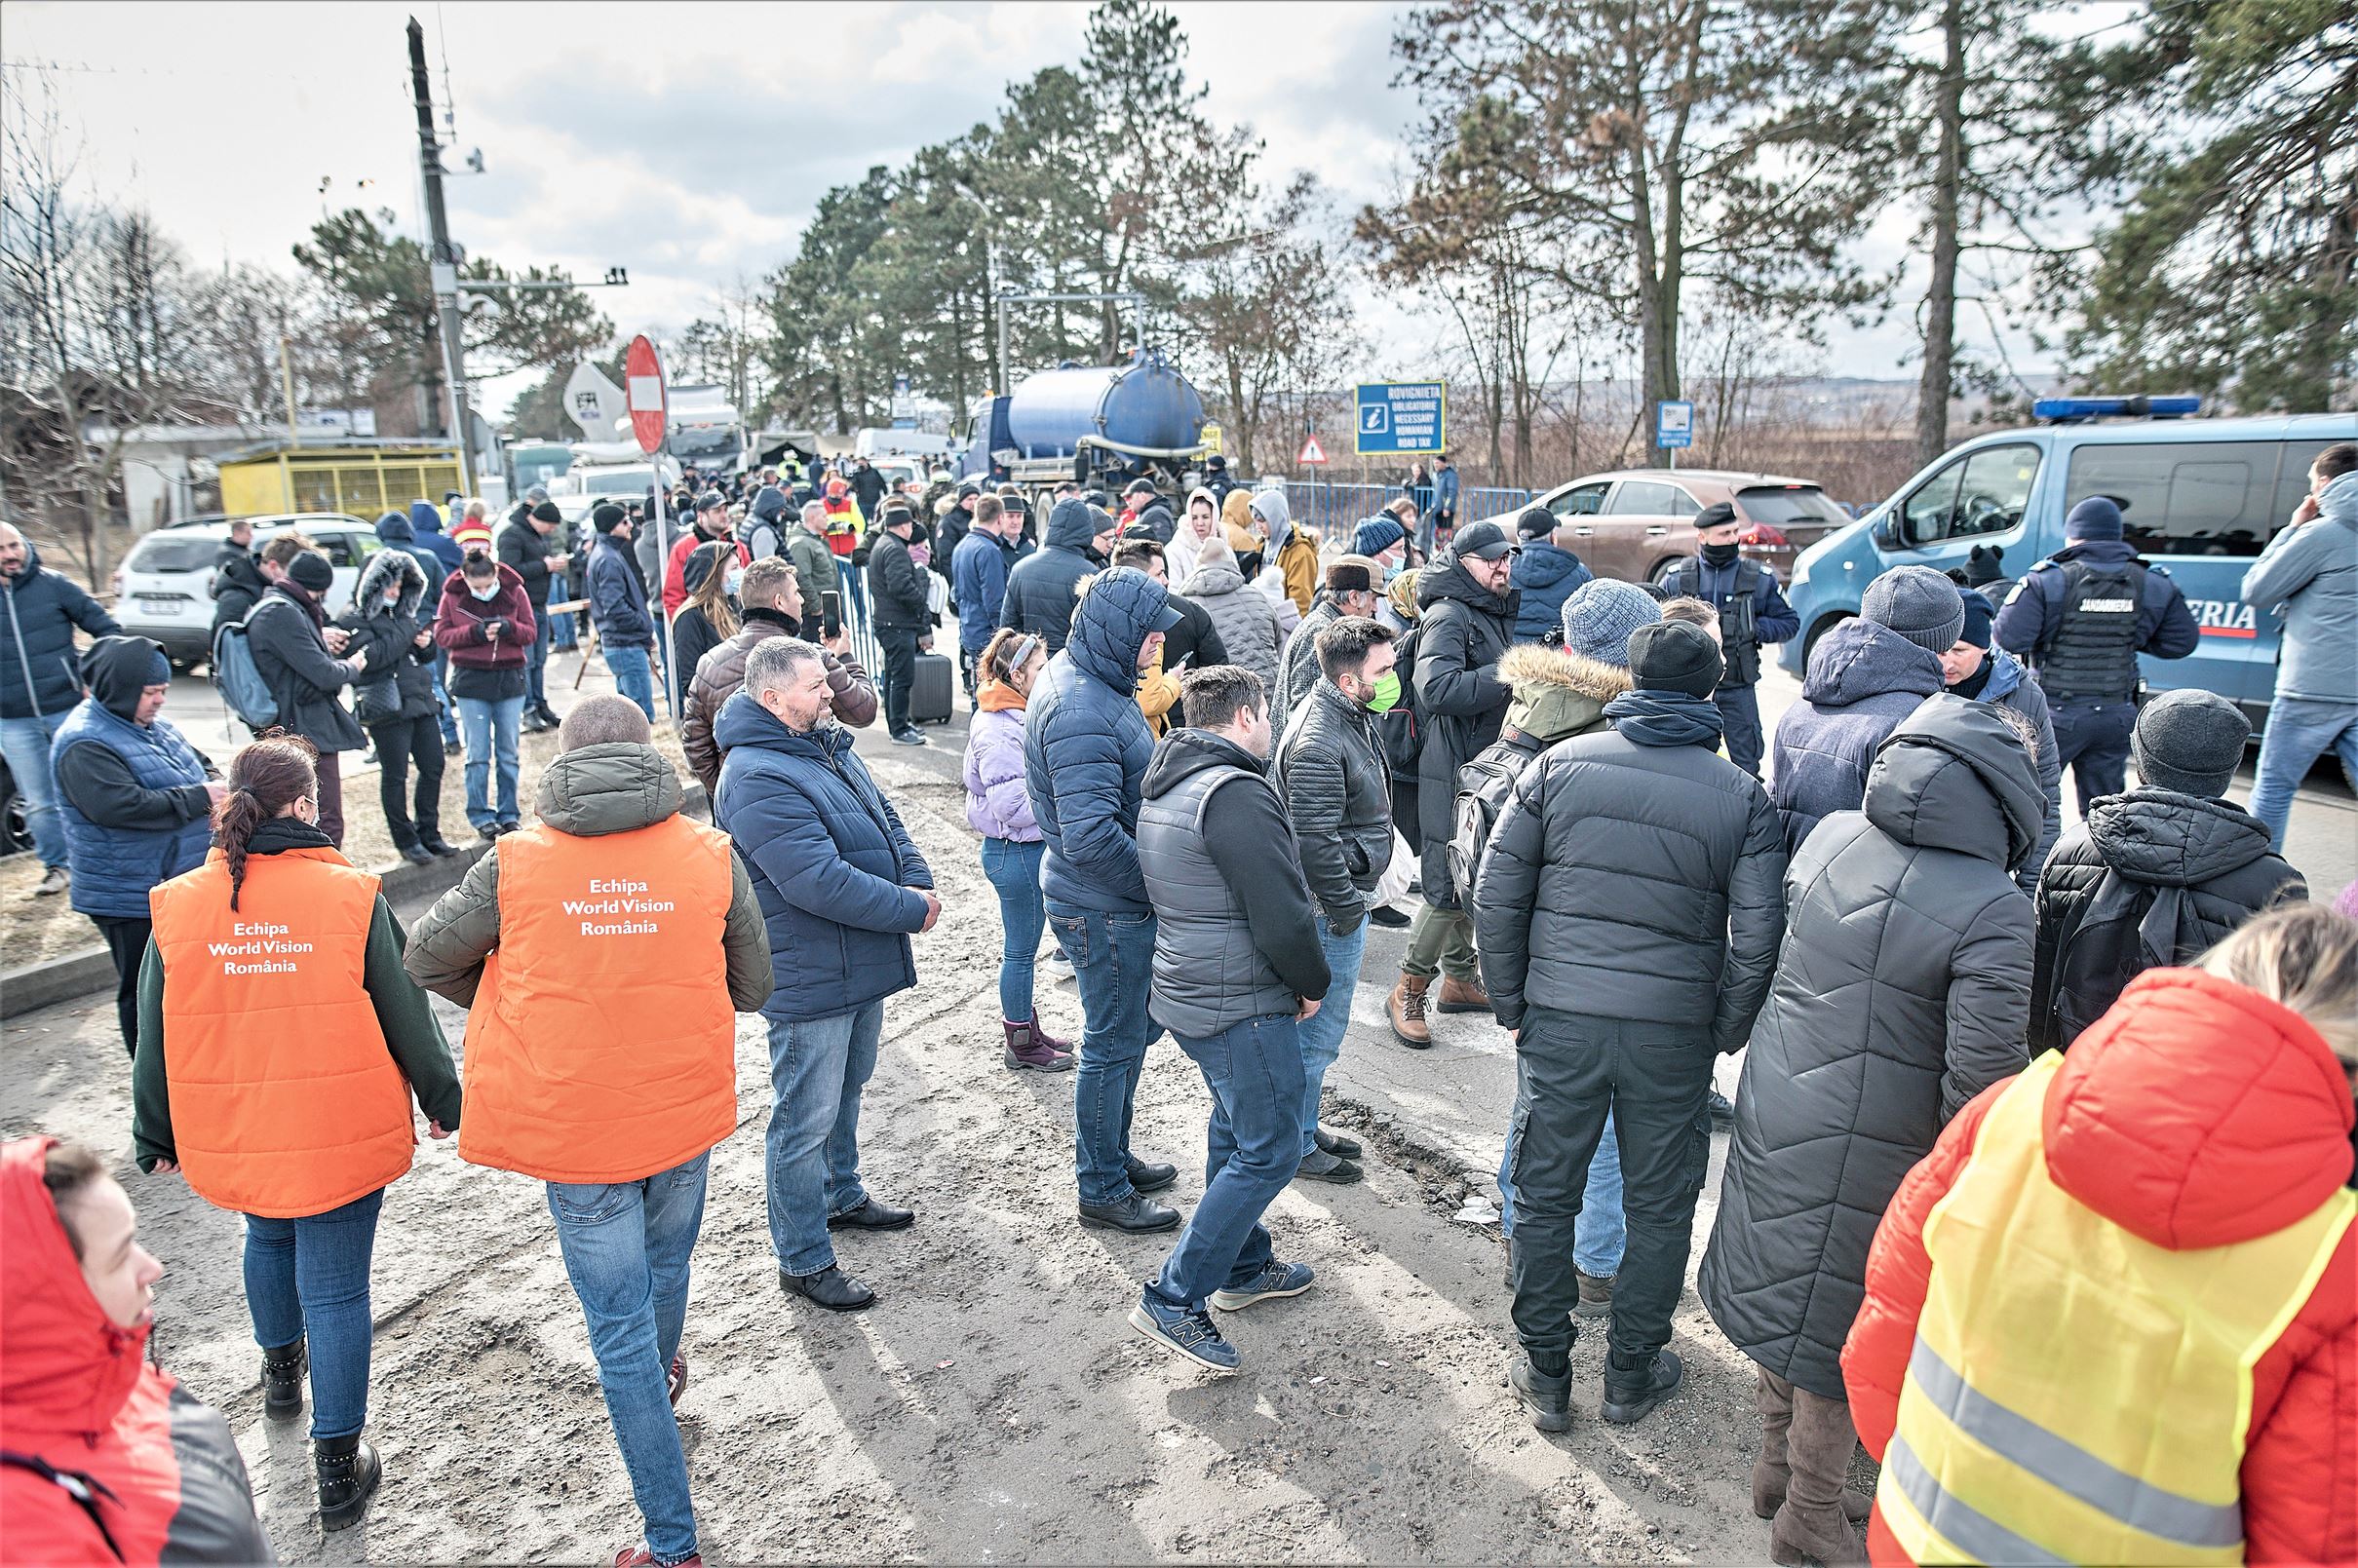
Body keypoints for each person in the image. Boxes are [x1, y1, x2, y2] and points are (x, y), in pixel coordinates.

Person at [1843, 903, 2358, 1568]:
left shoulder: (2007, 1114)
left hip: (1920, 1540)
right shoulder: (2330, 1258)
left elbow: (1880, 1344)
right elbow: (2312, 1538)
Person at [402, 696, 767, 1568]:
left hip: (578, 1125)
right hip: (679, 1110)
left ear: (563, 760)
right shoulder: (708, 851)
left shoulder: (516, 861)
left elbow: (426, 955)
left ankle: (671, 1543)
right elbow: (752, 986)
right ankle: (663, 1386)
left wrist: (517, 998)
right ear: (646, 754)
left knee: (618, 1330)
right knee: (665, 1269)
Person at [1700, 696, 2041, 1565]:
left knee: (1788, 1290)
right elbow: (1980, 1080)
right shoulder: (1995, 905)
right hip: (1882, 1145)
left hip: (1783, 1097)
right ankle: (1810, 1513)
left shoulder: (1831, 835)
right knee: (1842, 1329)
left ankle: (1776, 1467)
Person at [132, 735, 461, 1534]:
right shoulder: (349, 893)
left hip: (242, 1119)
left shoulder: (177, 903)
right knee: (338, 1289)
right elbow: (406, 1009)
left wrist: (155, 1129)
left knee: (267, 1235)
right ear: (307, 805)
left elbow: (154, 1031)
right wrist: (442, 1095)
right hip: (336, 1122)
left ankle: (282, 1374)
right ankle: (338, 1466)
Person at [1472, 620, 1786, 1433]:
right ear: (1709, 689)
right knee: (1660, 1203)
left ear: (1629, 681)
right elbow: (1758, 935)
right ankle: (1630, 1371)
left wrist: (1514, 1005)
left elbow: (1495, 896)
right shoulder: (1740, 794)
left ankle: (1545, 1370)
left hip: (1562, 1019)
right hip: (1671, 1031)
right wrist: (1720, 1027)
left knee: (1544, 1196)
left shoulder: (1557, 765)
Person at [714, 638, 935, 1313]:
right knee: (802, 1118)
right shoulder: (753, 775)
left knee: (847, 1089)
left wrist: (917, 879)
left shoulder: (824, 745)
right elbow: (815, 880)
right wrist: (908, 909)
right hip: (810, 974)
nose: (831, 694)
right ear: (773, 697)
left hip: (856, 957)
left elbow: (886, 818)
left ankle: (841, 1193)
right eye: (815, 686)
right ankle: (803, 1258)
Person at [1127, 665, 1330, 1372]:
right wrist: (1311, 982)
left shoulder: (1170, 781)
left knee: (1235, 1125)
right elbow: (1281, 910)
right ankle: (1174, 1295)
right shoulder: (1235, 792)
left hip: (1192, 989)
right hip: (1238, 999)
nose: (1270, 726)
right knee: (1270, 1147)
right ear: (1245, 716)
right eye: (1266, 714)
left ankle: (1242, 1266)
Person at [1470, 579, 1663, 1315]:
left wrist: (1509, 991)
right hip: (1597, 958)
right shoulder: (1606, 725)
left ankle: (1519, 1233)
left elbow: (1501, 879)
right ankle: (1595, 1261)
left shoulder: (1533, 703)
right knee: (1606, 1120)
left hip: (1540, 959)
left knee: (1538, 1108)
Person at [0, 1135, 273, 1563]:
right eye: (119, 1255)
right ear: (42, 1299)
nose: (152, 1267)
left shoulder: (108, 1380)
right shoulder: (27, 1534)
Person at [1024, 567, 1188, 1234]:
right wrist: (1161, 887)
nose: (1159, 644)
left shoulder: (1095, 680)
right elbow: (1090, 836)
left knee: (1127, 1034)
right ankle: (1101, 1186)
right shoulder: (1080, 710)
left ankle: (1112, 1156)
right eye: (1151, 633)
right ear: (1120, 631)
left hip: (1106, 898)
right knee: (1113, 1041)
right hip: (1104, 903)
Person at [2030, 688, 2306, 1053]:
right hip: (2207, 1072)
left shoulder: (2072, 848)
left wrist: (2045, 1060)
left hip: (2079, 1060)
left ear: (2142, 757)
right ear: (2229, 769)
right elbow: (2281, 1014)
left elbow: (2042, 975)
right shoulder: (2277, 884)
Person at [1273, 616, 1397, 1184]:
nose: (1394, 678)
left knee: (1320, 1038)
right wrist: (1348, 912)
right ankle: (1295, 1145)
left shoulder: (1349, 714)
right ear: (1349, 681)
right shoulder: (1319, 739)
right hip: (1329, 913)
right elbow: (1314, 844)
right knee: (1314, 1038)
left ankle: (1304, 1124)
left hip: (1340, 903)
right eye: (1384, 670)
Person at [50, 636, 218, 1054]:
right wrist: (201, 796)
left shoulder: (150, 724)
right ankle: (151, 1079)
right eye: (150, 692)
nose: (160, 700)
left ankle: (189, 1067)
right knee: (144, 994)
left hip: (168, 882)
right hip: (127, 894)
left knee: (186, 986)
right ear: (120, 690)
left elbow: (199, 765)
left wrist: (217, 784)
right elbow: (120, 806)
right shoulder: (84, 743)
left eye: (163, 690)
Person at [1389, 521, 1519, 1049]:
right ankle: (1408, 988)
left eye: (1507, 558)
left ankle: (1460, 980)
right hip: (1450, 766)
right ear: (1464, 562)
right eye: (1492, 559)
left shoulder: (1486, 609)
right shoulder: (1448, 613)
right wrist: (1510, 673)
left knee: (1473, 872)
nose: (1503, 567)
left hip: (1478, 765)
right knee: (1446, 885)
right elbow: (1437, 689)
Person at [1994, 495, 2201, 813]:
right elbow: (2181, 642)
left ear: (2074, 535)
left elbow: (2008, 637)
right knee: (2104, 813)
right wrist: (2130, 634)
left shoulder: (2048, 579)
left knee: (2030, 803)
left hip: (2054, 713)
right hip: (2115, 715)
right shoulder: (2152, 581)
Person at [1771, 564, 1954, 854]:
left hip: (1791, 871)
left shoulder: (1800, 708)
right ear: (1941, 643)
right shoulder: (1914, 723)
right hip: (1859, 879)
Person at [963, 628, 1076, 1074]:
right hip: (1016, 854)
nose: (1047, 675)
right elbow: (1011, 805)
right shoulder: (998, 726)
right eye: (1040, 668)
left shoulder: (1011, 714)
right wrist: (1063, 798)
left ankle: (1028, 1028)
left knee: (1023, 949)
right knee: (1020, 952)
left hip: (1020, 851)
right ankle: (1022, 1043)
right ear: (1017, 675)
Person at [2243, 443, 2357, 851]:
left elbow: (2257, 590)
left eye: (2311, 484)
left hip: (2311, 689)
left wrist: (2293, 528)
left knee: (2274, 788)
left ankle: (2260, 878)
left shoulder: (2320, 534)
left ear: (2324, 484)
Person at [681, 559, 874, 798]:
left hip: (740, 798)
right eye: (796, 592)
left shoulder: (709, 663)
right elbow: (864, 711)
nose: (802, 600)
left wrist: (729, 794)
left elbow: (696, 748)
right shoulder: (811, 658)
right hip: (808, 793)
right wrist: (845, 656)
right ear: (779, 601)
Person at [1, 519, 120, 899]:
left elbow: (109, 631)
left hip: (67, 709)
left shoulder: (53, 584)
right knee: (38, 802)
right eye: (1, 550)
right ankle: (58, 866)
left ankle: (106, 860)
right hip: (13, 720)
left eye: (14, 545)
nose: (10, 554)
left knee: (91, 789)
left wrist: (92, 677)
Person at [1935, 582, 2062, 891]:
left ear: (1984, 647)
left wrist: (2031, 888)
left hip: (1992, 864)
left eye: (1959, 651)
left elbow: (2044, 795)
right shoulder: (1919, 686)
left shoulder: (2024, 696)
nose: (1947, 663)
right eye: (1940, 651)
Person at [244, 540, 369, 845]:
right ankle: (325, 872)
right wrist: (352, 666)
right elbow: (323, 675)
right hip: (303, 728)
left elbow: (297, 662)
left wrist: (321, 643)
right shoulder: (282, 613)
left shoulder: (275, 606)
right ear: (316, 588)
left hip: (292, 726)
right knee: (323, 817)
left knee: (300, 819)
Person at [1658, 503, 1797, 778]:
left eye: (1735, 532)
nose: (1733, 539)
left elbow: (1789, 622)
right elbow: (1655, 623)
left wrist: (1753, 628)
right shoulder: (1678, 578)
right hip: (1689, 689)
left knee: (1746, 766)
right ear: (1702, 537)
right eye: (1724, 534)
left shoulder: (1758, 578)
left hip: (1737, 687)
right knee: (1682, 763)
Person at [335, 546, 453, 865]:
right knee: (395, 774)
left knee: (433, 766)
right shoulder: (352, 617)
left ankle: (429, 831)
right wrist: (408, 631)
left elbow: (420, 655)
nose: (395, 592)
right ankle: (406, 839)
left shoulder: (403, 615)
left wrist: (426, 644)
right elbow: (372, 658)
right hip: (386, 706)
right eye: (389, 586)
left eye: (400, 586)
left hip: (419, 699)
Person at [435, 549, 535, 840]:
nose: (482, 591)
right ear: (464, 578)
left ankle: (509, 813)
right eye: (476, 587)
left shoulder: (515, 591)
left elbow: (531, 632)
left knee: (508, 752)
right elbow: (442, 635)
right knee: (477, 753)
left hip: (509, 678)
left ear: (496, 575)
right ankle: (480, 814)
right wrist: (474, 633)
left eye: (488, 585)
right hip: (471, 680)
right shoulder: (452, 596)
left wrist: (509, 628)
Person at [1271, 556, 1381, 723]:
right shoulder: (1321, 632)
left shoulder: (1326, 626)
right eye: (1373, 599)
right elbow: (1304, 710)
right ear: (1354, 598)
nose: (1375, 608)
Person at [1174, 533, 1284, 696]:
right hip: (1269, 694)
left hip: (1224, 700)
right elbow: (1279, 642)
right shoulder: (1256, 595)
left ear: (1197, 568)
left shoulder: (1188, 606)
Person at [1001, 498, 1111, 653]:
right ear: (1087, 530)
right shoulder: (1090, 573)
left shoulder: (1020, 569)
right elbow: (1097, 634)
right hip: (1069, 662)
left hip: (1031, 661)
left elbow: (1009, 627)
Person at [867, 500, 933, 746]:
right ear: (904, 526)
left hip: (890, 621)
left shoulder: (884, 543)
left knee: (895, 676)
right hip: (896, 623)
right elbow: (900, 586)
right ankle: (899, 729)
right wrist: (920, 599)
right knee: (901, 678)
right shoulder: (894, 548)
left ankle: (899, 723)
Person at [587, 503, 660, 722]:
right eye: (625, 521)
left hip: (622, 643)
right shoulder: (608, 559)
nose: (631, 525)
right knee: (639, 718)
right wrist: (642, 625)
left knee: (629, 718)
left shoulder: (607, 553)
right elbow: (614, 608)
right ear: (612, 527)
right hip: (625, 645)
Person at [498, 498, 564, 733]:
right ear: (539, 520)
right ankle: (528, 708)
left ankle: (539, 702)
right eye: (551, 526)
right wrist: (544, 566)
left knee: (539, 660)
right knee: (527, 661)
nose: (552, 531)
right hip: (521, 608)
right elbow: (508, 571)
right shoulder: (512, 535)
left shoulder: (535, 536)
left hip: (539, 604)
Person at [954, 494, 1021, 693]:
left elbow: (956, 593)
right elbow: (994, 601)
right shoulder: (989, 550)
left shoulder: (963, 546)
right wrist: (1004, 635)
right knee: (988, 691)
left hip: (969, 627)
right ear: (1000, 518)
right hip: (986, 632)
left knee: (979, 688)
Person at [1508, 505, 1594, 645]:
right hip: (1560, 654)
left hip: (1511, 654)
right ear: (1553, 537)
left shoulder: (1501, 570)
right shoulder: (1579, 573)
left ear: (1519, 538)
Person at [670, 539, 741, 707]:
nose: (740, 573)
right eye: (734, 568)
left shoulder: (733, 605)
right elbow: (690, 680)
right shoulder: (689, 617)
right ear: (714, 575)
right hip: (716, 708)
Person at [663, 492, 748, 621]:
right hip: (702, 622)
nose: (724, 515)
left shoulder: (737, 546)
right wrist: (686, 625)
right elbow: (673, 596)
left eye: (725, 510)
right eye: (717, 511)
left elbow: (749, 584)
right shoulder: (683, 549)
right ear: (701, 516)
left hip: (735, 620)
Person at [1251, 488, 1319, 618]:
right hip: (1263, 619)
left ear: (1274, 517)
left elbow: (1301, 602)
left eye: (1261, 520)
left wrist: (1293, 627)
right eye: (1254, 521)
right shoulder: (1262, 544)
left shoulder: (1301, 552)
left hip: (1286, 622)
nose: (1257, 526)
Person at [208, 516, 266, 642]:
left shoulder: (245, 551)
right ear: (237, 533)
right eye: (248, 532)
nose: (251, 536)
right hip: (234, 604)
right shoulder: (228, 554)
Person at [1169, 487, 1223, 589]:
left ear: (1214, 517)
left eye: (1205, 517)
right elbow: (1172, 589)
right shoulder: (1174, 550)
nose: (1200, 523)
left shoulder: (1224, 548)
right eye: (1194, 518)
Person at [1422, 451, 1459, 555]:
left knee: (1446, 531)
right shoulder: (1436, 475)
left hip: (1445, 509)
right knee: (1438, 531)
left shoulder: (1450, 475)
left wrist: (1447, 507)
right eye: (1434, 463)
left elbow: (1452, 492)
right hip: (1437, 507)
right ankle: (1439, 552)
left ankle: (1448, 552)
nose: (1435, 465)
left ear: (1444, 463)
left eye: (1437, 463)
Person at [1124, 478, 1175, 544]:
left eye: (1129, 497)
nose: (1128, 502)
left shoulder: (1155, 514)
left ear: (1142, 496)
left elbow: (1160, 544)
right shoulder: (1150, 513)